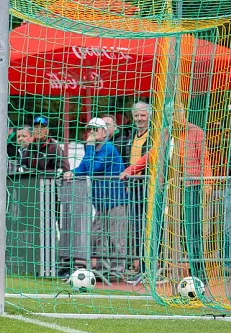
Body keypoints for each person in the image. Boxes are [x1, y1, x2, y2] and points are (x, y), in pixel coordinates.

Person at [123, 107, 211, 281]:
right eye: (169, 115)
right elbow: (152, 154)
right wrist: (131, 170)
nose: (172, 118)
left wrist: (207, 183)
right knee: (164, 229)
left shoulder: (195, 132)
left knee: (191, 230)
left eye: (175, 114)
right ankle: (167, 270)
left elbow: (204, 158)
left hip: (189, 186)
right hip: (167, 188)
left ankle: (199, 272)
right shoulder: (165, 133)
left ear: (183, 113)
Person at [64, 117, 128, 281]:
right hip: (101, 202)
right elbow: (84, 167)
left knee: (115, 238)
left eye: (95, 129)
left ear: (105, 132)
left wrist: (90, 146)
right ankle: (102, 270)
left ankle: (116, 272)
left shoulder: (108, 148)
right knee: (98, 236)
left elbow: (94, 168)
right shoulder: (91, 148)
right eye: (90, 129)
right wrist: (73, 172)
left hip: (115, 201)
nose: (92, 132)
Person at [119, 102, 152, 273]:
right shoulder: (130, 135)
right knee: (136, 226)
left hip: (149, 186)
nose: (139, 119)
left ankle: (151, 264)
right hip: (133, 186)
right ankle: (139, 264)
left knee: (149, 225)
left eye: (143, 116)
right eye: (137, 116)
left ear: (149, 117)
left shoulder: (154, 136)